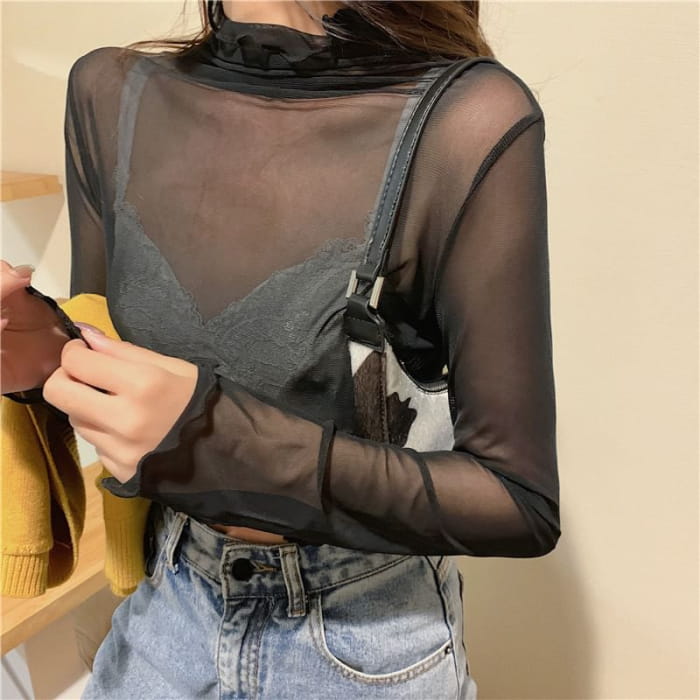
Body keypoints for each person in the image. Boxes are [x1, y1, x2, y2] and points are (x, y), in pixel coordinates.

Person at [0, 1, 560, 697]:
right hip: (166, 608)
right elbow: (115, 364)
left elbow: (517, 501)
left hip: (362, 638)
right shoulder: (108, 93)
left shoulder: (467, 118)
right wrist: (44, 353)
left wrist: (214, 436)